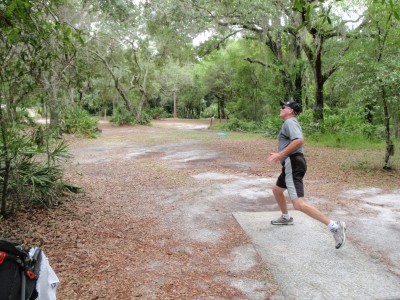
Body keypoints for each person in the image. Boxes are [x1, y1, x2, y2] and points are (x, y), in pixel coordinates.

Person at [267, 100, 346, 249]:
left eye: (283, 107)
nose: (281, 108)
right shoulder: (290, 122)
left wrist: (280, 154)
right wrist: (281, 155)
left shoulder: (290, 122)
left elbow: (299, 141)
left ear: (290, 111)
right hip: (291, 164)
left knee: (299, 204)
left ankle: (335, 227)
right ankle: (286, 217)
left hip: (293, 163)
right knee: (277, 190)